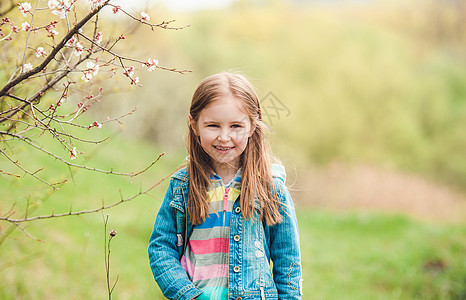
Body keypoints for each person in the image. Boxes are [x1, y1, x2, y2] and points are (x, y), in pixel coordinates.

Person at [148, 72, 302, 300]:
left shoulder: (271, 189)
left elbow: (287, 261)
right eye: (213, 125)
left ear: (252, 126)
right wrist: (186, 294)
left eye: (236, 126)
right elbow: (161, 248)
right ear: (194, 125)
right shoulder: (183, 186)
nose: (224, 136)